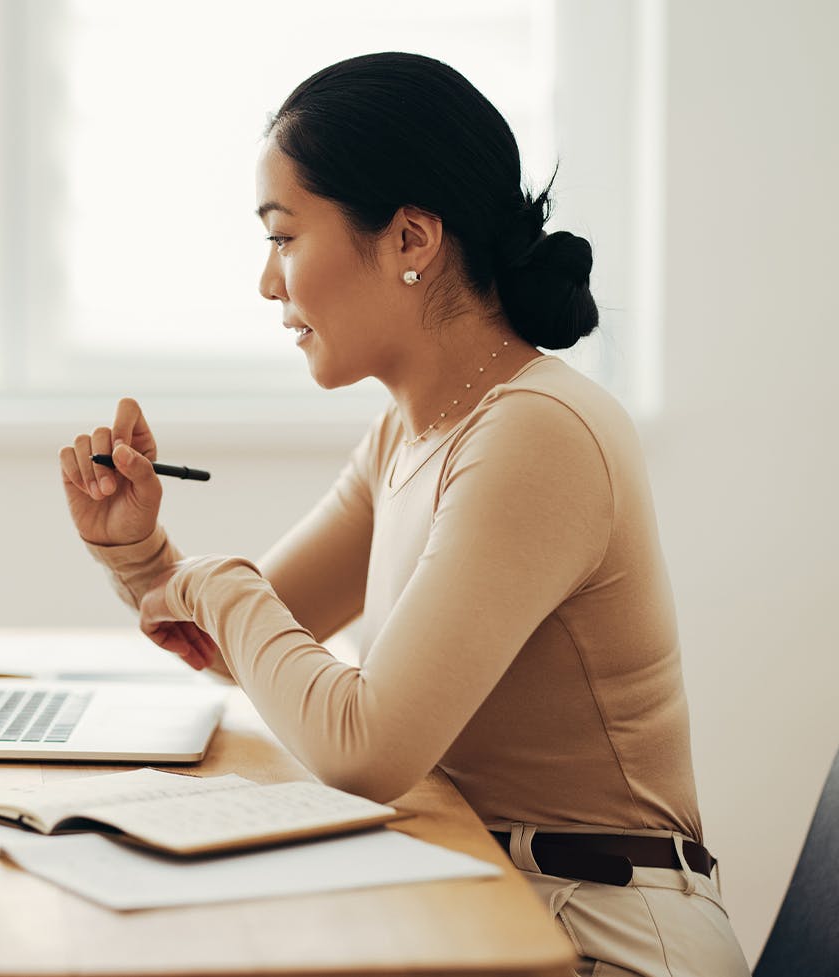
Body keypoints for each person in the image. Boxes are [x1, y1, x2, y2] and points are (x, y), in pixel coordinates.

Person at [57, 52, 750, 977]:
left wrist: (219, 583)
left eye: (285, 237)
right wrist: (143, 554)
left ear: (411, 240)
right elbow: (258, 645)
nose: (270, 282)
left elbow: (365, 746)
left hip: (603, 934)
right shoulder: (410, 432)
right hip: (491, 899)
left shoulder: (537, 433)